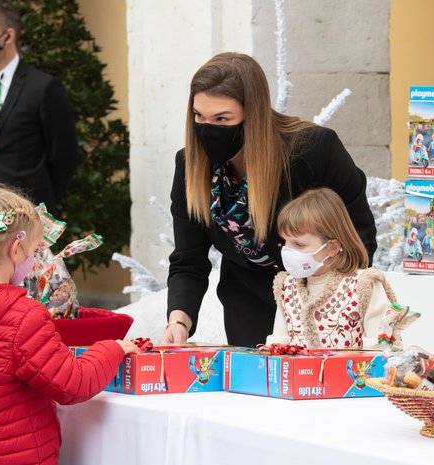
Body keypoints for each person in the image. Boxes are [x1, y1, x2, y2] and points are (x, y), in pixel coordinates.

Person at [162, 52, 376, 348]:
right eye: (199, 116)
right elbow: (188, 260)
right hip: (247, 306)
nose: (208, 129)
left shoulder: (314, 151)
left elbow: (359, 238)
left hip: (324, 308)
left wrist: (332, 304)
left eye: (222, 119)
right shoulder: (191, 166)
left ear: (253, 114)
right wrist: (178, 321)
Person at [0, 186, 138, 465]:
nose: (35, 261)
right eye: (35, 251)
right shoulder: (22, 316)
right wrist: (111, 349)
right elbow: (72, 383)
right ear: (16, 250)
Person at [0, 0, 77, 216]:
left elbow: (64, 156)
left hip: (27, 212)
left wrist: (41, 202)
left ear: (8, 36)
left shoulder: (43, 87)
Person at [265, 188, 400, 350]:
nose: (287, 251)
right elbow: (278, 347)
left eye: (299, 244)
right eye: (285, 242)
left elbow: (382, 349)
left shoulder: (364, 285)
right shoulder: (286, 287)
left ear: (332, 247)